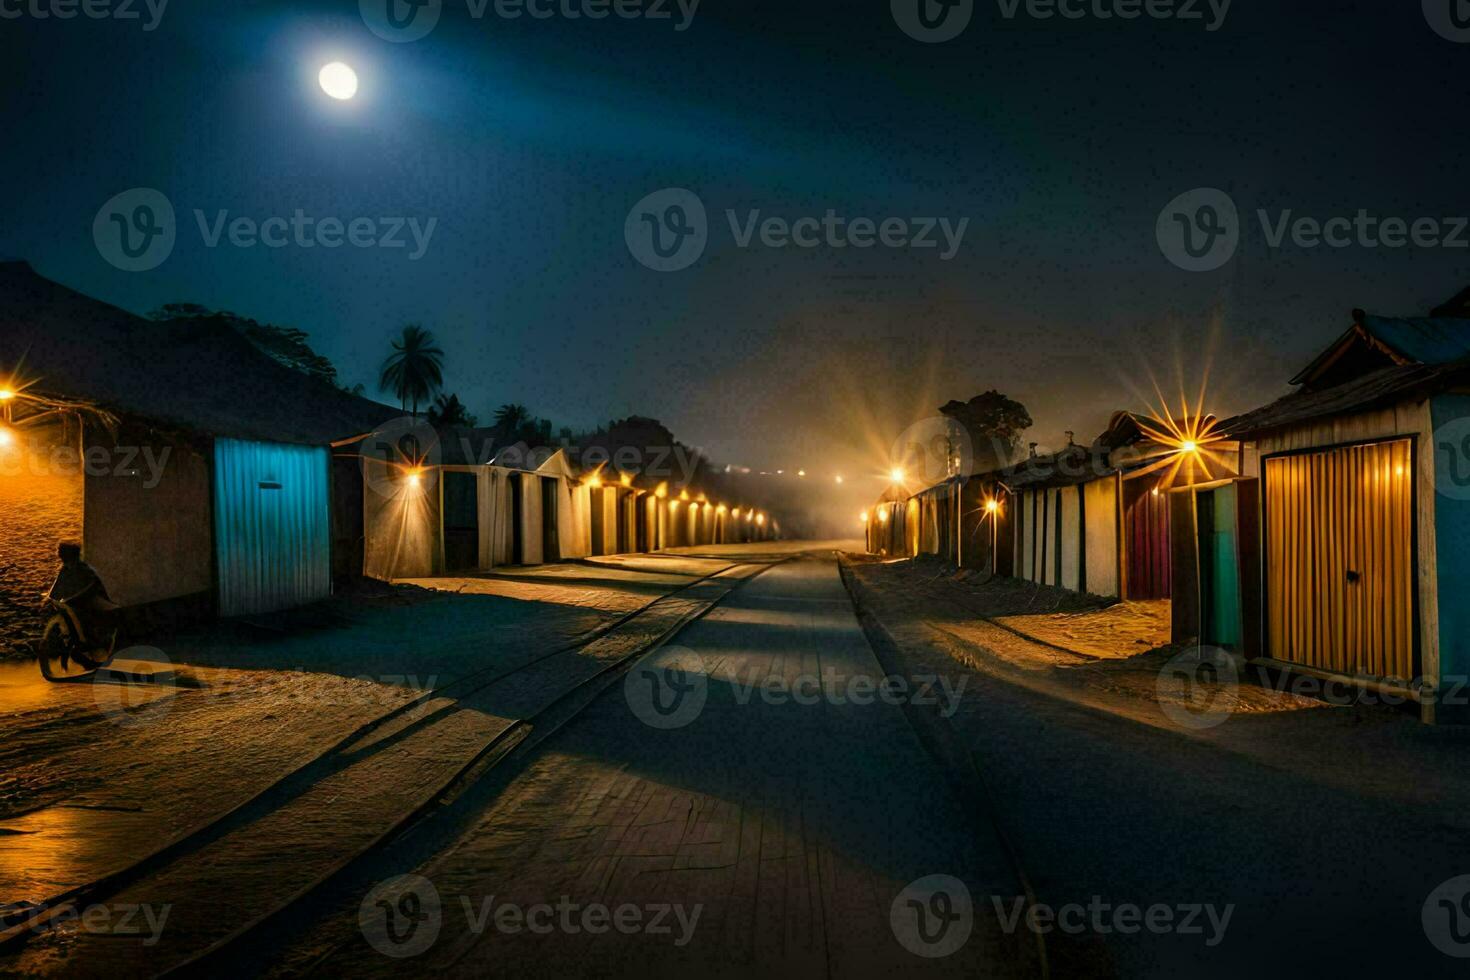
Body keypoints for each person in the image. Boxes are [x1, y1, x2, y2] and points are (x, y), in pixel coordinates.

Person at [44, 542, 120, 645]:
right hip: (81, 601)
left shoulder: (83, 569)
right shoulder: (66, 569)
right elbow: (55, 591)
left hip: (92, 601)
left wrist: (71, 599)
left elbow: (94, 587)